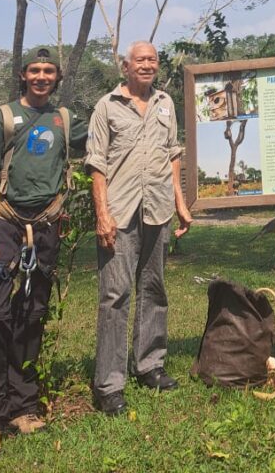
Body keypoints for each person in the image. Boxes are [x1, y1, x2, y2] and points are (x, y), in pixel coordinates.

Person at [0, 47, 88, 461]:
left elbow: (109, 137)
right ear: (23, 75)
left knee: (32, 312)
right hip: (3, 223)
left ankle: (23, 405)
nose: (41, 76)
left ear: (57, 77)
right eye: (34, 70)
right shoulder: (1, 117)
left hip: (48, 225)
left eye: (48, 71)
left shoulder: (65, 120)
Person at [86, 41, 192, 415]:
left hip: (158, 210)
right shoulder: (107, 106)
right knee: (115, 295)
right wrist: (102, 214)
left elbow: (172, 155)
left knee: (154, 288)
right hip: (119, 212)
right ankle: (109, 385)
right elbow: (96, 165)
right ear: (125, 67)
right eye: (140, 60)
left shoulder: (165, 103)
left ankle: (150, 365)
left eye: (152, 60)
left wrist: (180, 204)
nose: (147, 65)